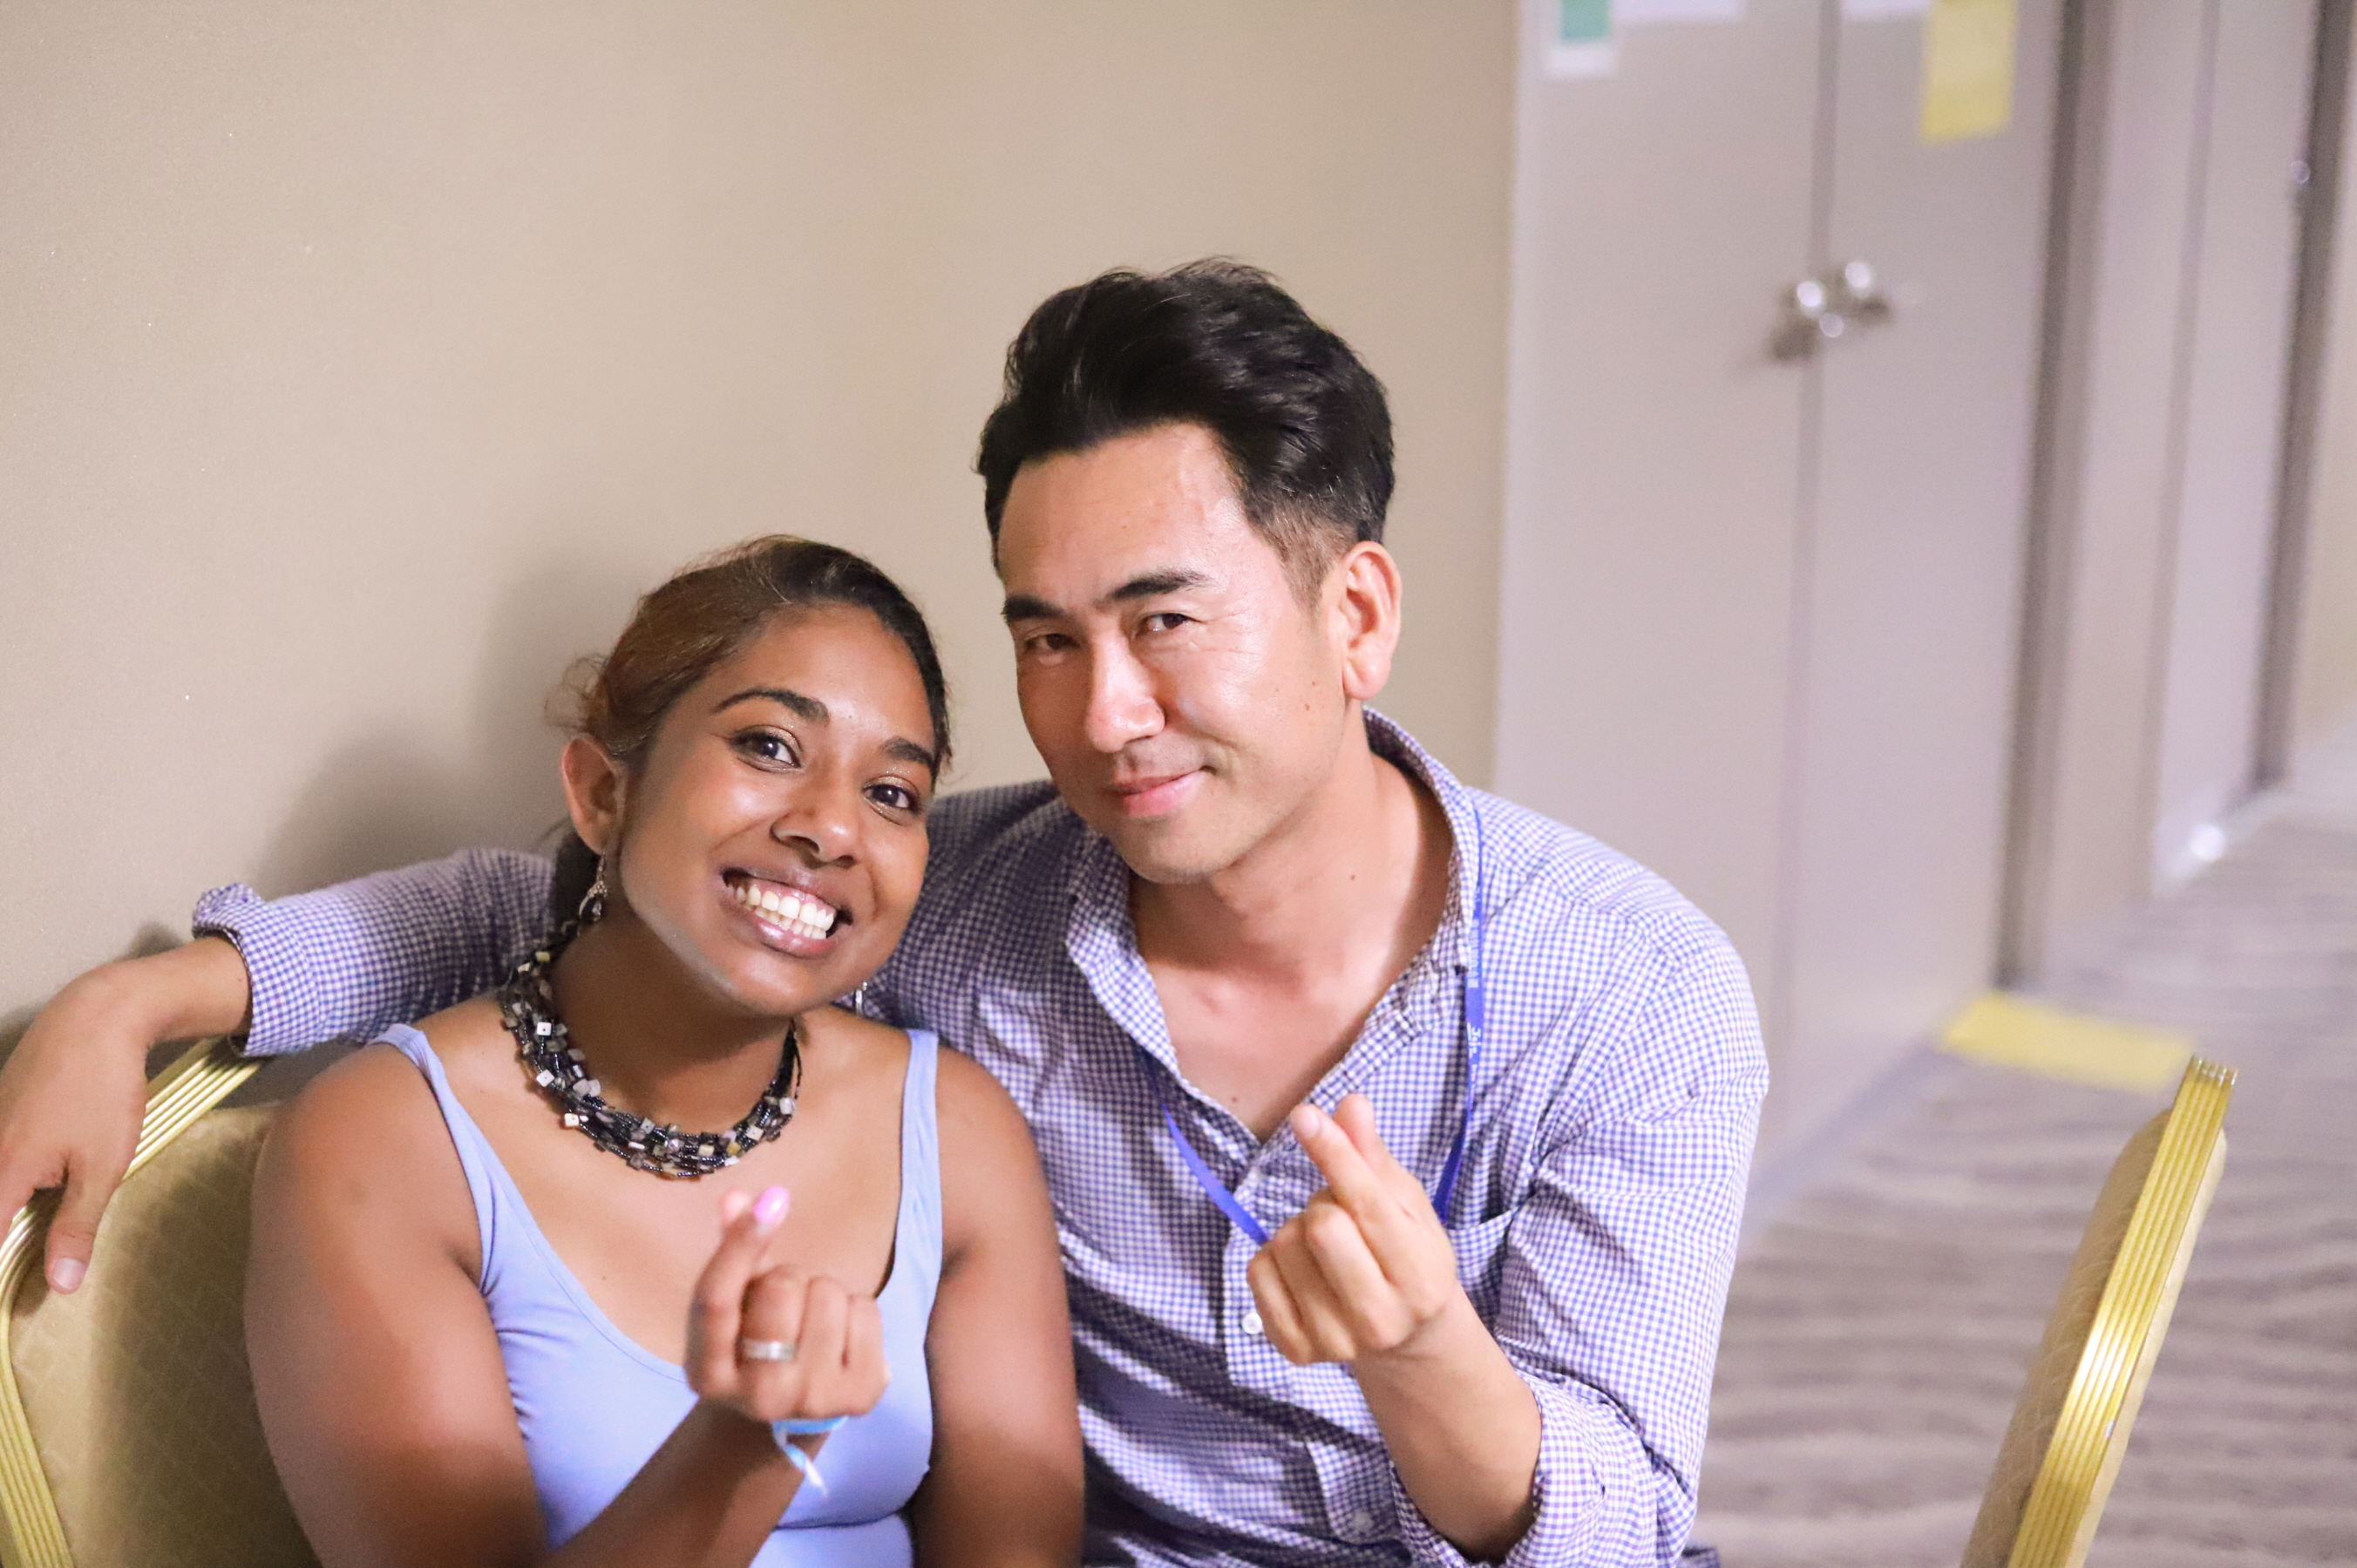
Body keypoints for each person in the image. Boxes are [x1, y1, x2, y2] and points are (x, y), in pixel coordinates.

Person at [2, 261, 1767, 1568]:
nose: (1103, 714)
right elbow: (553, 911)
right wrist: (150, 997)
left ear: (1354, 614)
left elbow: (1615, 1526)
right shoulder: (963, 898)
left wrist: (1424, 1353)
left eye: (1163, 620)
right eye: (1046, 636)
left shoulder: (1631, 992)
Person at [256, 538, 1082, 1567]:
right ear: (604, 793)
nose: (832, 828)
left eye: (892, 792)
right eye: (770, 745)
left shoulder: (954, 1124)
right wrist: (743, 1446)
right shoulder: (387, 1140)